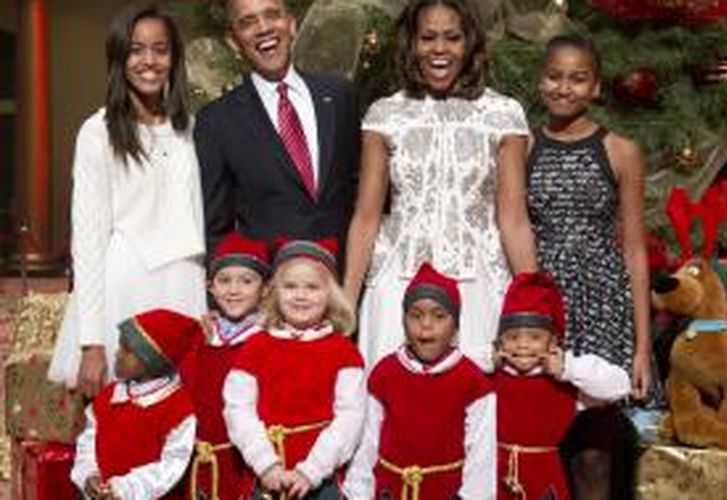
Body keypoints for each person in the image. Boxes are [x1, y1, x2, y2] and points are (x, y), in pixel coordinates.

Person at [343, 0, 536, 372]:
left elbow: (513, 219)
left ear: (470, 43)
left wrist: (532, 302)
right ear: (412, 44)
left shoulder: (503, 114)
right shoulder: (386, 114)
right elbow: (366, 217)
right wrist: (347, 302)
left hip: (478, 283)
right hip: (398, 281)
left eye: (452, 37)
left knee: (472, 406)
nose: (439, 49)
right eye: (427, 37)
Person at [49, 3, 206, 397]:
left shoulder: (189, 130)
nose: (149, 60)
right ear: (120, 56)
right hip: (126, 285)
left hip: (185, 284)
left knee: (183, 417)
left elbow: (198, 218)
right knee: (121, 423)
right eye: (136, 49)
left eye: (161, 49)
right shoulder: (98, 132)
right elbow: (87, 239)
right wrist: (91, 342)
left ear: (174, 58)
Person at [526, 35, 651, 499]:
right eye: (555, 76)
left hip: (601, 308)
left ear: (596, 87)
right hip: (544, 305)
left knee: (594, 452)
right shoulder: (523, 147)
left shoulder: (621, 151)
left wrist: (641, 347)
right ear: (541, 81)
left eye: (578, 79)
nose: (564, 87)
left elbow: (635, 249)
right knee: (540, 436)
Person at [195, 0, 361, 264]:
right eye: (247, 22)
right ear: (233, 41)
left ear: (292, 24)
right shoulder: (216, 121)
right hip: (270, 291)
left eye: (272, 15)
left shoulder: (339, 95)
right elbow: (216, 229)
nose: (263, 28)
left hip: (342, 284)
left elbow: (359, 191)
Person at [223, 239, 365, 499]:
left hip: (321, 480)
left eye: (312, 287)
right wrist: (266, 464)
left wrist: (311, 470)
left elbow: (350, 418)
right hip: (265, 477)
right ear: (275, 292)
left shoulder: (344, 352)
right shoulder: (254, 347)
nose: (300, 296)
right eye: (290, 286)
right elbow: (237, 409)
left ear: (330, 294)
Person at [343, 261, 496, 500]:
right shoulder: (385, 374)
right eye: (416, 315)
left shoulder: (474, 383)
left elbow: (481, 458)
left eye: (439, 316)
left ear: (455, 326)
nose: (426, 325)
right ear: (403, 322)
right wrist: (357, 493)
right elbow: (368, 443)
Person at [493, 272, 631, 500]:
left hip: (545, 484)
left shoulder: (564, 386)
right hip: (497, 480)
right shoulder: (491, 380)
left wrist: (568, 368)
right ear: (500, 342)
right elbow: (459, 363)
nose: (523, 345)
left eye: (535, 337)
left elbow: (620, 385)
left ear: (553, 342)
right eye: (513, 337)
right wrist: (490, 359)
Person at [71, 309, 200, 499]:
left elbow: (172, 465)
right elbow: (88, 442)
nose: (117, 354)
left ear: (152, 360)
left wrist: (124, 489)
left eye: (127, 350)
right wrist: (89, 475)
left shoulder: (177, 409)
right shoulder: (108, 397)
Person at [180, 232, 271, 500]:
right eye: (224, 280)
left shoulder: (267, 340)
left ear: (265, 289)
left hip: (244, 462)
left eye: (246, 281)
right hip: (196, 459)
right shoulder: (199, 336)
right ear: (210, 287)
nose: (233, 290)